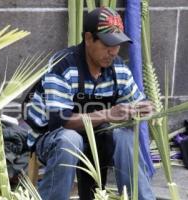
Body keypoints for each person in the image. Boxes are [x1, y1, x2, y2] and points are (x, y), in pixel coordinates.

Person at [24, 7, 155, 200]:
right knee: (70, 139)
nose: (113, 51)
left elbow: (136, 103)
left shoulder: (117, 68)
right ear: (88, 39)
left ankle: (141, 198)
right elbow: (61, 121)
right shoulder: (63, 66)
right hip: (51, 140)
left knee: (126, 137)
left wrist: (143, 109)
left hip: (98, 139)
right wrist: (109, 114)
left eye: (117, 44)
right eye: (107, 44)